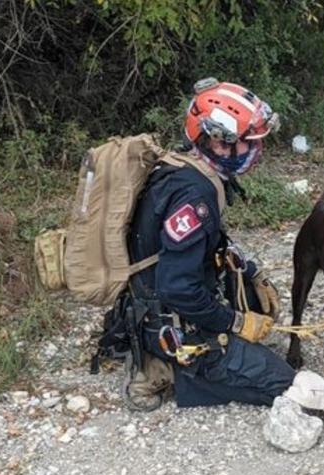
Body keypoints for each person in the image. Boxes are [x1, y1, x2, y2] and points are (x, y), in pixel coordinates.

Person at [122, 78, 296, 409]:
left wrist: (249, 271)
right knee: (285, 382)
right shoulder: (194, 195)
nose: (257, 150)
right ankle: (173, 371)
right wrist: (235, 322)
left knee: (251, 301)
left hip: (154, 302)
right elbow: (177, 288)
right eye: (249, 143)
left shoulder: (188, 168)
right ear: (218, 142)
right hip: (172, 323)